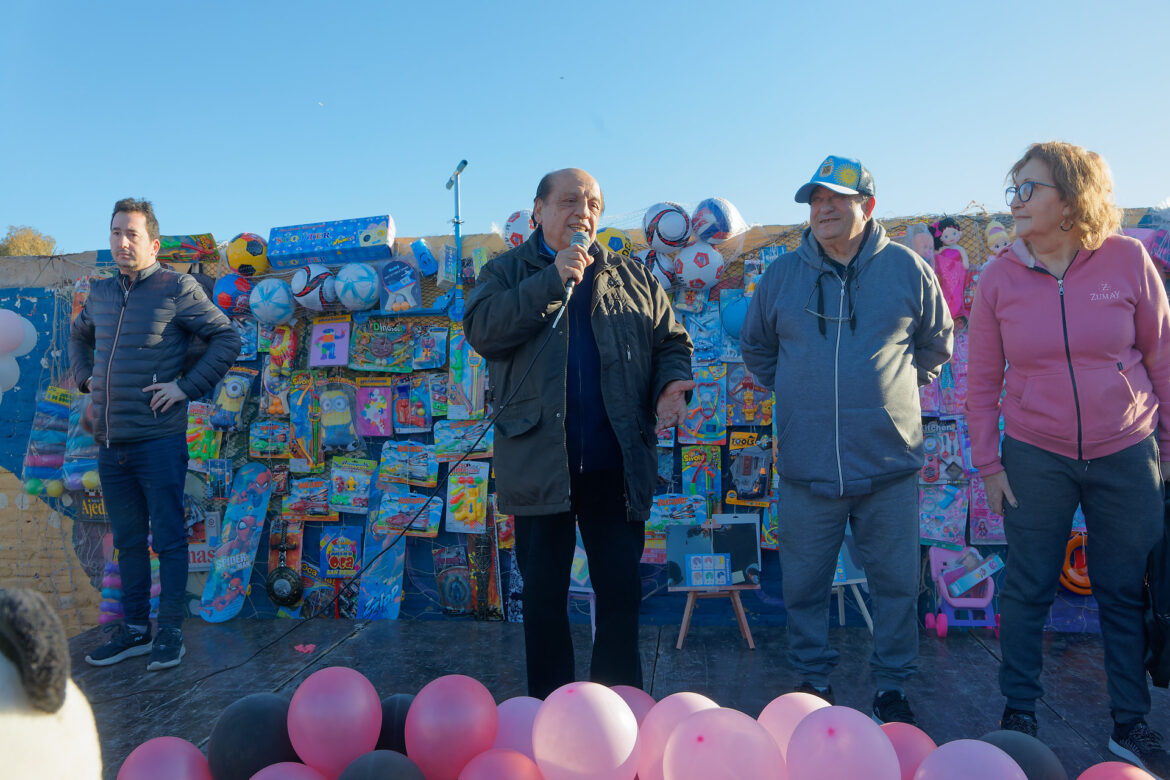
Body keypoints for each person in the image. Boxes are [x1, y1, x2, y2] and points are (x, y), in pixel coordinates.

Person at [966, 141, 1170, 775]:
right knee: (1027, 586)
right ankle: (1019, 710)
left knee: (1122, 590)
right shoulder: (999, 275)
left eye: (1030, 188)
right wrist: (989, 465)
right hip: (1034, 453)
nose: (1017, 201)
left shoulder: (1128, 260)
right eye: (1015, 189)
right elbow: (980, 381)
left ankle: (1130, 725)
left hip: (1127, 454)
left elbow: (1162, 359)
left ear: (1072, 198)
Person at [464, 168, 694, 698]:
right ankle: (551, 714)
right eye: (568, 201)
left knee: (619, 594)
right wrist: (552, 279)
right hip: (540, 466)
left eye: (591, 202)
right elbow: (483, 330)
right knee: (544, 600)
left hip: (615, 463)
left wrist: (671, 384)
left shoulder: (630, 275)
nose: (582, 212)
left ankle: (616, 716)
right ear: (539, 210)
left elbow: (671, 340)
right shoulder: (505, 272)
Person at [740, 155, 953, 725]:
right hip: (807, 468)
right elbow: (758, 348)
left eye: (836, 198)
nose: (823, 209)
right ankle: (813, 681)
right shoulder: (783, 275)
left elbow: (936, 344)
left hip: (887, 466)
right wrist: (796, 389)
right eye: (815, 200)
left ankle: (892, 688)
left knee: (895, 587)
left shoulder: (908, 270)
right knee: (804, 586)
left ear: (868, 206)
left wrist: (894, 391)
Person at [70, 198, 240, 671]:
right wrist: (85, 377)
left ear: (153, 243)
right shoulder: (100, 293)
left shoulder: (176, 286)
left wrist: (185, 387)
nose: (122, 242)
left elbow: (228, 337)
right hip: (110, 442)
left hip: (158, 440)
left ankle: (169, 634)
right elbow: (78, 336)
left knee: (167, 538)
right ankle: (133, 630)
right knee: (126, 541)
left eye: (132, 235)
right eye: (116, 232)